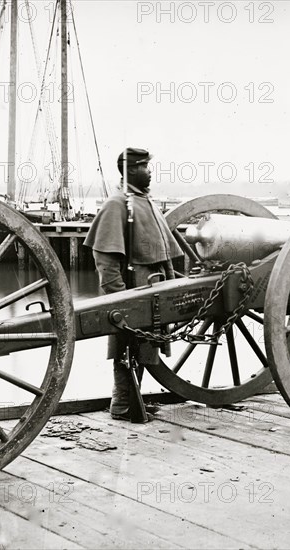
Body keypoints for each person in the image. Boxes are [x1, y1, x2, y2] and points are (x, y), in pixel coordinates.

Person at [84, 148, 183, 421]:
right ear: (131, 171)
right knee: (126, 349)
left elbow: (165, 256)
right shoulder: (117, 204)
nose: (150, 172)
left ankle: (130, 401)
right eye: (144, 167)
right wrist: (120, 299)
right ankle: (122, 404)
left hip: (153, 290)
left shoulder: (144, 201)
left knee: (144, 349)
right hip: (134, 292)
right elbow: (106, 262)